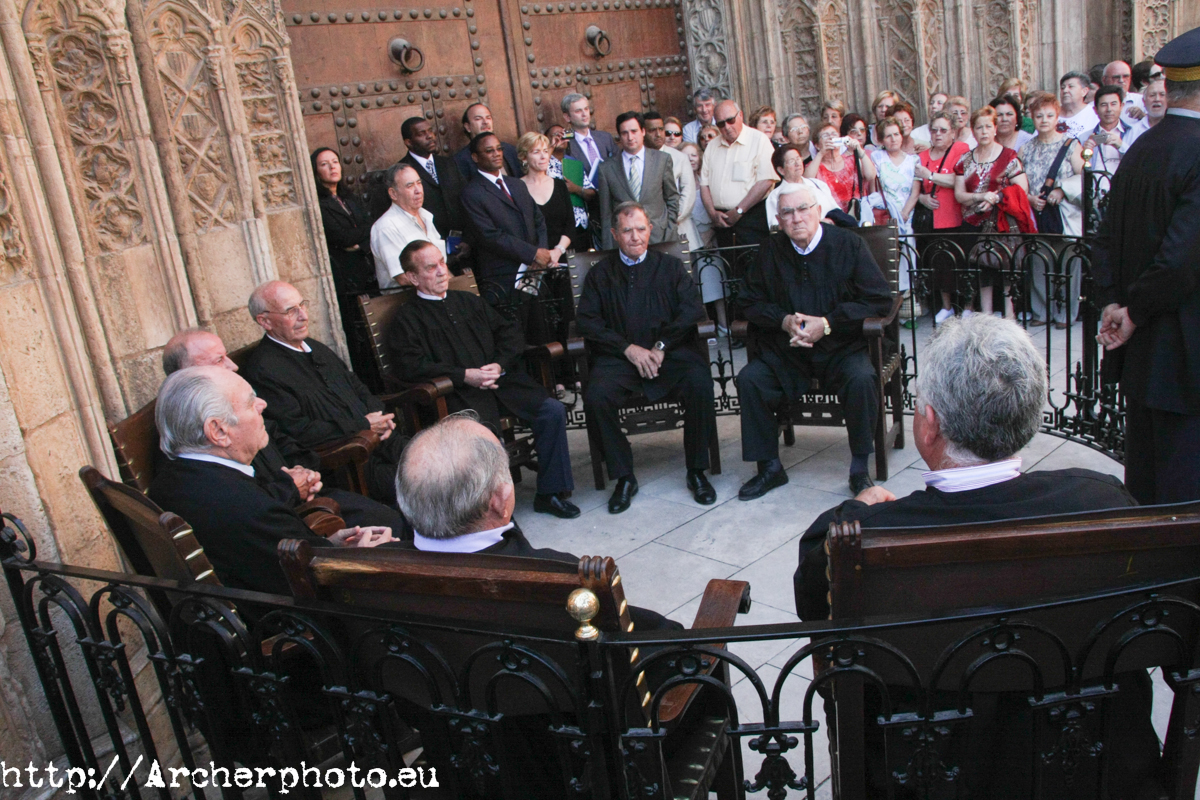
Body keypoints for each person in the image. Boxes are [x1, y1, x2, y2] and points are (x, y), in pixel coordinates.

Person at [791, 314, 1156, 799]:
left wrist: (856, 510)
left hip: (930, 774)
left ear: (930, 425)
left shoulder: (858, 539)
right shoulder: (1105, 502)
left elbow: (817, 611)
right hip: (1091, 768)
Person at [148, 366, 396, 596]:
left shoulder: (170, 479)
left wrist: (327, 545)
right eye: (250, 402)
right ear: (219, 431)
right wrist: (366, 556)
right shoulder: (248, 507)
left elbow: (261, 554)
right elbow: (320, 587)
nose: (262, 405)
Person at [387, 240, 580, 518]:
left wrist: (497, 365)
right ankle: (492, 512)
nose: (442, 271)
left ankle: (550, 493)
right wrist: (465, 375)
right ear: (412, 277)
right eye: (431, 267)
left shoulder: (467, 300)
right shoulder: (407, 319)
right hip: (458, 394)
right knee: (484, 434)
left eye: (442, 262)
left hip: (500, 383)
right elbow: (410, 366)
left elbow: (509, 333)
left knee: (551, 411)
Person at [1094, 25, 1200, 506]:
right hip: (1184, 355)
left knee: (1147, 477)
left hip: (1141, 353)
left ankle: (1146, 577)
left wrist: (1117, 304)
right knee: (1183, 487)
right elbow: (1179, 262)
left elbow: (1105, 240)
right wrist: (1131, 312)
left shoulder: (1140, 149)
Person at [161, 329, 409, 534]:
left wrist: (305, 473)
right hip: (293, 517)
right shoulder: (197, 438)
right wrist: (291, 486)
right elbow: (248, 503)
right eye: (218, 360)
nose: (233, 366)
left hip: (302, 497)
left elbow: (283, 439)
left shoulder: (231, 404)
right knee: (392, 520)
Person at [735, 184, 893, 500]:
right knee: (751, 380)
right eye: (788, 213)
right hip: (789, 349)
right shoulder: (770, 250)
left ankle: (860, 470)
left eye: (803, 209)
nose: (796, 218)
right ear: (778, 219)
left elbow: (879, 300)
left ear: (818, 211)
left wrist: (828, 323)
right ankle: (769, 468)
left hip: (842, 347)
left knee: (862, 379)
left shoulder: (849, 245)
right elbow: (747, 302)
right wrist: (783, 320)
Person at [576, 203, 717, 512]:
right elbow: (588, 321)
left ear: (650, 230)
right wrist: (628, 348)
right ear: (614, 235)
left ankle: (696, 471)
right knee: (597, 396)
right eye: (626, 230)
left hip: (670, 354)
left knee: (700, 382)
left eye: (640, 229)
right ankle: (624, 475)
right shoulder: (601, 275)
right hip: (620, 358)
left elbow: (691, 308)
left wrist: (661, 346)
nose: (635, 236)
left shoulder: (670, 267)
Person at [241, 279, 409, 502]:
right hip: (349, 462)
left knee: (443, 462)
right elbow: (298, 431)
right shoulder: (263, 371)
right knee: (425, 483)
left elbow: (357, 386)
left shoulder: (315, 347)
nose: (303, 316)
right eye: (291, 311)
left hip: (385, 440)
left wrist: (380, 417)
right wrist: (363, 425)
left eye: (303, 305)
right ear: (265, 321)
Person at [459, 132, 553, 307]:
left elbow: (538, 219)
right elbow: (489, 236)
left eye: (499, 149)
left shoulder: (516, 184)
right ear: (475, 157)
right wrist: (532, 253)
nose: (496, 154)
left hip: (535, 272)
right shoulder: (472, 193)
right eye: (489, 151)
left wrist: (541, 251)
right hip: (503, 278)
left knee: (541, 327)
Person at [953, 106, 1030, 318]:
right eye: (979, 127)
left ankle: (1010, 316)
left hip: (1002, 220)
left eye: (988, 126)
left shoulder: (1009, 156)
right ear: (973, 130)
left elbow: (1022, 187)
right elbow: (960, 195)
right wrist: (981, 196)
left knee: (1006, 269)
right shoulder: (964, 160)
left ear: (995, 128)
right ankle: (986, 315)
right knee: (981, 269)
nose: (984, 131)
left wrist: (996, 197)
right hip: (972, 221)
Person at [1019, 92, 1084, 328]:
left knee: (1069, 262)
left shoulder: (1070, 144)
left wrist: (1062, 190)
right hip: (1036, 212)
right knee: (1038, 261)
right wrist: (1029, 198)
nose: (1044, 120)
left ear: (1057, 116)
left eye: (1049, 115)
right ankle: (1041, 312)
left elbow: (1084, 176)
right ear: (1032, 118)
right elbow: (1017, 181)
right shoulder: (1025, 149)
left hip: (1064, 213)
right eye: (1038, 116)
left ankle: (1067, 313)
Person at [311, 147, 377, 376]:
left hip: (368, 272)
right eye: (324, 164)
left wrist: (360, 243)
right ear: (316, 172)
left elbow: (371, 227)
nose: (332, 167)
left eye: (335, 161)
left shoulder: (350, 199)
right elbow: (341, 237)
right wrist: (360, 236)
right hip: (347, 278)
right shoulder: (319, 205)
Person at [913, 112, 970, 323]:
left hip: (956, 217)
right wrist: (922, 199)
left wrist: (931, 175)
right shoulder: (922, 156)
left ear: (953, 133)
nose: (938, 134)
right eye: (934, 130)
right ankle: (946, 307)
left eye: (943, 130)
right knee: (941, 265)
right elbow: (915, 188)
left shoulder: (960, 150)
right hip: (934, 220)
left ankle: (967, 306)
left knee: (961, 263)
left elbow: (959, 180)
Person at [699, 100, 778, 247]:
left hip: (752, 218)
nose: (727, 127)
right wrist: (712, 213)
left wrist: (739, 210)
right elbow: (704, 185)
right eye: (721, 124)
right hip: (721, 221)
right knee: (730, 267)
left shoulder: (759, 140)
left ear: (740, 115)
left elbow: (766, 180)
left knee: (755, 266)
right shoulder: (712, 147)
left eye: (730, 120)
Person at [596, 111, 679, 249]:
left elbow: (672, 198)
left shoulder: (662, 160)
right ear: (619, 136)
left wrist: (670, 229)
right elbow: (606, 214)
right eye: (624, 133)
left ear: (643, 131)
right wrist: (609, 248)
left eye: (634, 131)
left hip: (660, 237)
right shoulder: (606, 169)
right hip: (625, 243)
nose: (630, 137)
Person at [370, 163, 446, 289]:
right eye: (410, 186)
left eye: (419, 183)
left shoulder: (426, 216)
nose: (418, 190)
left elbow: (441, 266)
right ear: (393, 193)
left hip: (437, 295)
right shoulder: (386, 227)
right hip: (408, 300)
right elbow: (404, 278)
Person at [399, 116, 469, 241]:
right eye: (422, 133)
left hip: (461, 242)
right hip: (427, 244)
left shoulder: (448, 163)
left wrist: (468, 240)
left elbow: (465, 199)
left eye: (430, 131)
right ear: (408, 142)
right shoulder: (401, 171)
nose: (430, 136)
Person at [869, 117, 919, 292]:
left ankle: (907, 300)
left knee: (907, 259)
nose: (893, 139)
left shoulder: (913, 160)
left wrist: (904, 213)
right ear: (882, 140)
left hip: (907, 217)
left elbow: (915, 191)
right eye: (888, 136)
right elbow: (872, 188)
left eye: (896, 134)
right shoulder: (877, 157)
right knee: (886, 259)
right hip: (885, 217)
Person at [645, 111, 702, 253]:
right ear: (643, 132)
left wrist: (671, 219)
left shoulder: (679, 157)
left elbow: (688, 192)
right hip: (648, 232)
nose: (658, 134)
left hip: (680, 226)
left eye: (661, 129)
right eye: (652, 130)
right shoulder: (638, 159)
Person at [806, 123, 876, 218]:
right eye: (826, 135)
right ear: (817, 145)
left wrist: (859, 150)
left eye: (834, 134)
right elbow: (806, 180)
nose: (831, 138)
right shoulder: (815, 166)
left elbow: (871, 176)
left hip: (856, 215)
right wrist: (821, 153)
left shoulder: (852, 160)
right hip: (831, 218)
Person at [765, 143, 840, 227]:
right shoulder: (775, 196)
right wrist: (818, 224)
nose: (797, 163)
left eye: (798, 158)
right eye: (791, 161)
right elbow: (775, 227)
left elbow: (837, 212)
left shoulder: (818, 185)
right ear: (781, 170)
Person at [453, 103, 521, 179]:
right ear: (468, 127)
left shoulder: (510, 150)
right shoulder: (460, 161)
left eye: (488, 118)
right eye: (478, 119)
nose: (485, 122)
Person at [562, 93, 616, 180]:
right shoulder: (564, 144)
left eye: (586, 109)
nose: (584, 114)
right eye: (578, 111)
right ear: (567, 117)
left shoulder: (606, 137)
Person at [1085, 85, 1129, 176]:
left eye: (1113, 104)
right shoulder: (1084, 137)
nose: (1109, 109)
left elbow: (1139, 163)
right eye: (1104, 105)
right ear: (1095, 109)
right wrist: (1085, 152)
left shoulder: (1133, 133)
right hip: (1096, 187)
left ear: (1122, 106)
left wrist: (1121, 146)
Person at [1122, 76, 1167, 152]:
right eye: (1152, 95)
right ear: (1144, 101)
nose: (1157, 99)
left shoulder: (1178, 129)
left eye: (1162, 95)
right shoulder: (1134, 131)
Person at [1058, 71, 1100, 142]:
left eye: (1070, 87)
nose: (1065, 90)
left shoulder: (1095, 114)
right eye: (1062, 87)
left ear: (1084, 91)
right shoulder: (1051, 114)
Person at [1103, 59, 1147, 125]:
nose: (1121, 80)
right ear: (1104, 80)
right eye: (1116, 77)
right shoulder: (1093, 107)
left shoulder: (1143, 101)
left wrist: (1143, 116)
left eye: (1126, 76)